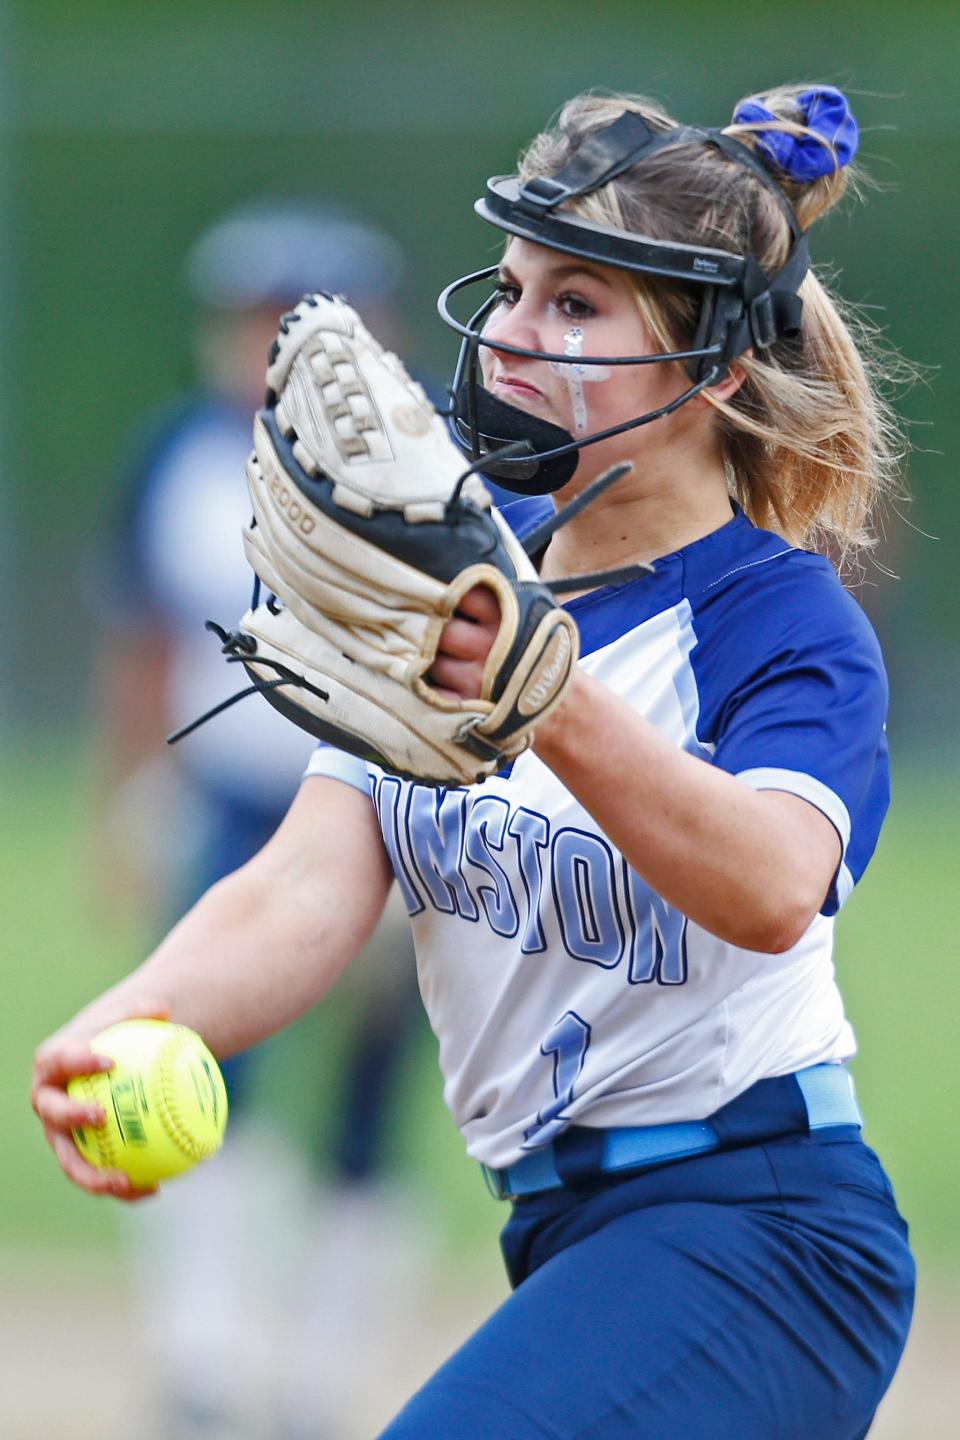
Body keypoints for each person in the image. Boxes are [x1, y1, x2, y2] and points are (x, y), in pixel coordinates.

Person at [34, 84, 915, 1439]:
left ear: (714, 371)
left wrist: (547, 698)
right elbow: (311, 882)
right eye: (510, 288)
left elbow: (773, 883)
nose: (510, 332)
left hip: (762, 1236)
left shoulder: (777, 619)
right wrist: (139, 1016)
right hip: (574, 1236)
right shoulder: (457, 567)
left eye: (578, 304)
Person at [87, 199, 427, 1440]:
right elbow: (142, 639)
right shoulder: (177, 453)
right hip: (229, 800)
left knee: (370, 1096)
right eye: (246, 319)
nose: (260, 345)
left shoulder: (420, 466)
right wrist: (125, 799)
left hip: (385, 815)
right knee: (192, 1061)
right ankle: (206, 1354)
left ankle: (322, 1373)